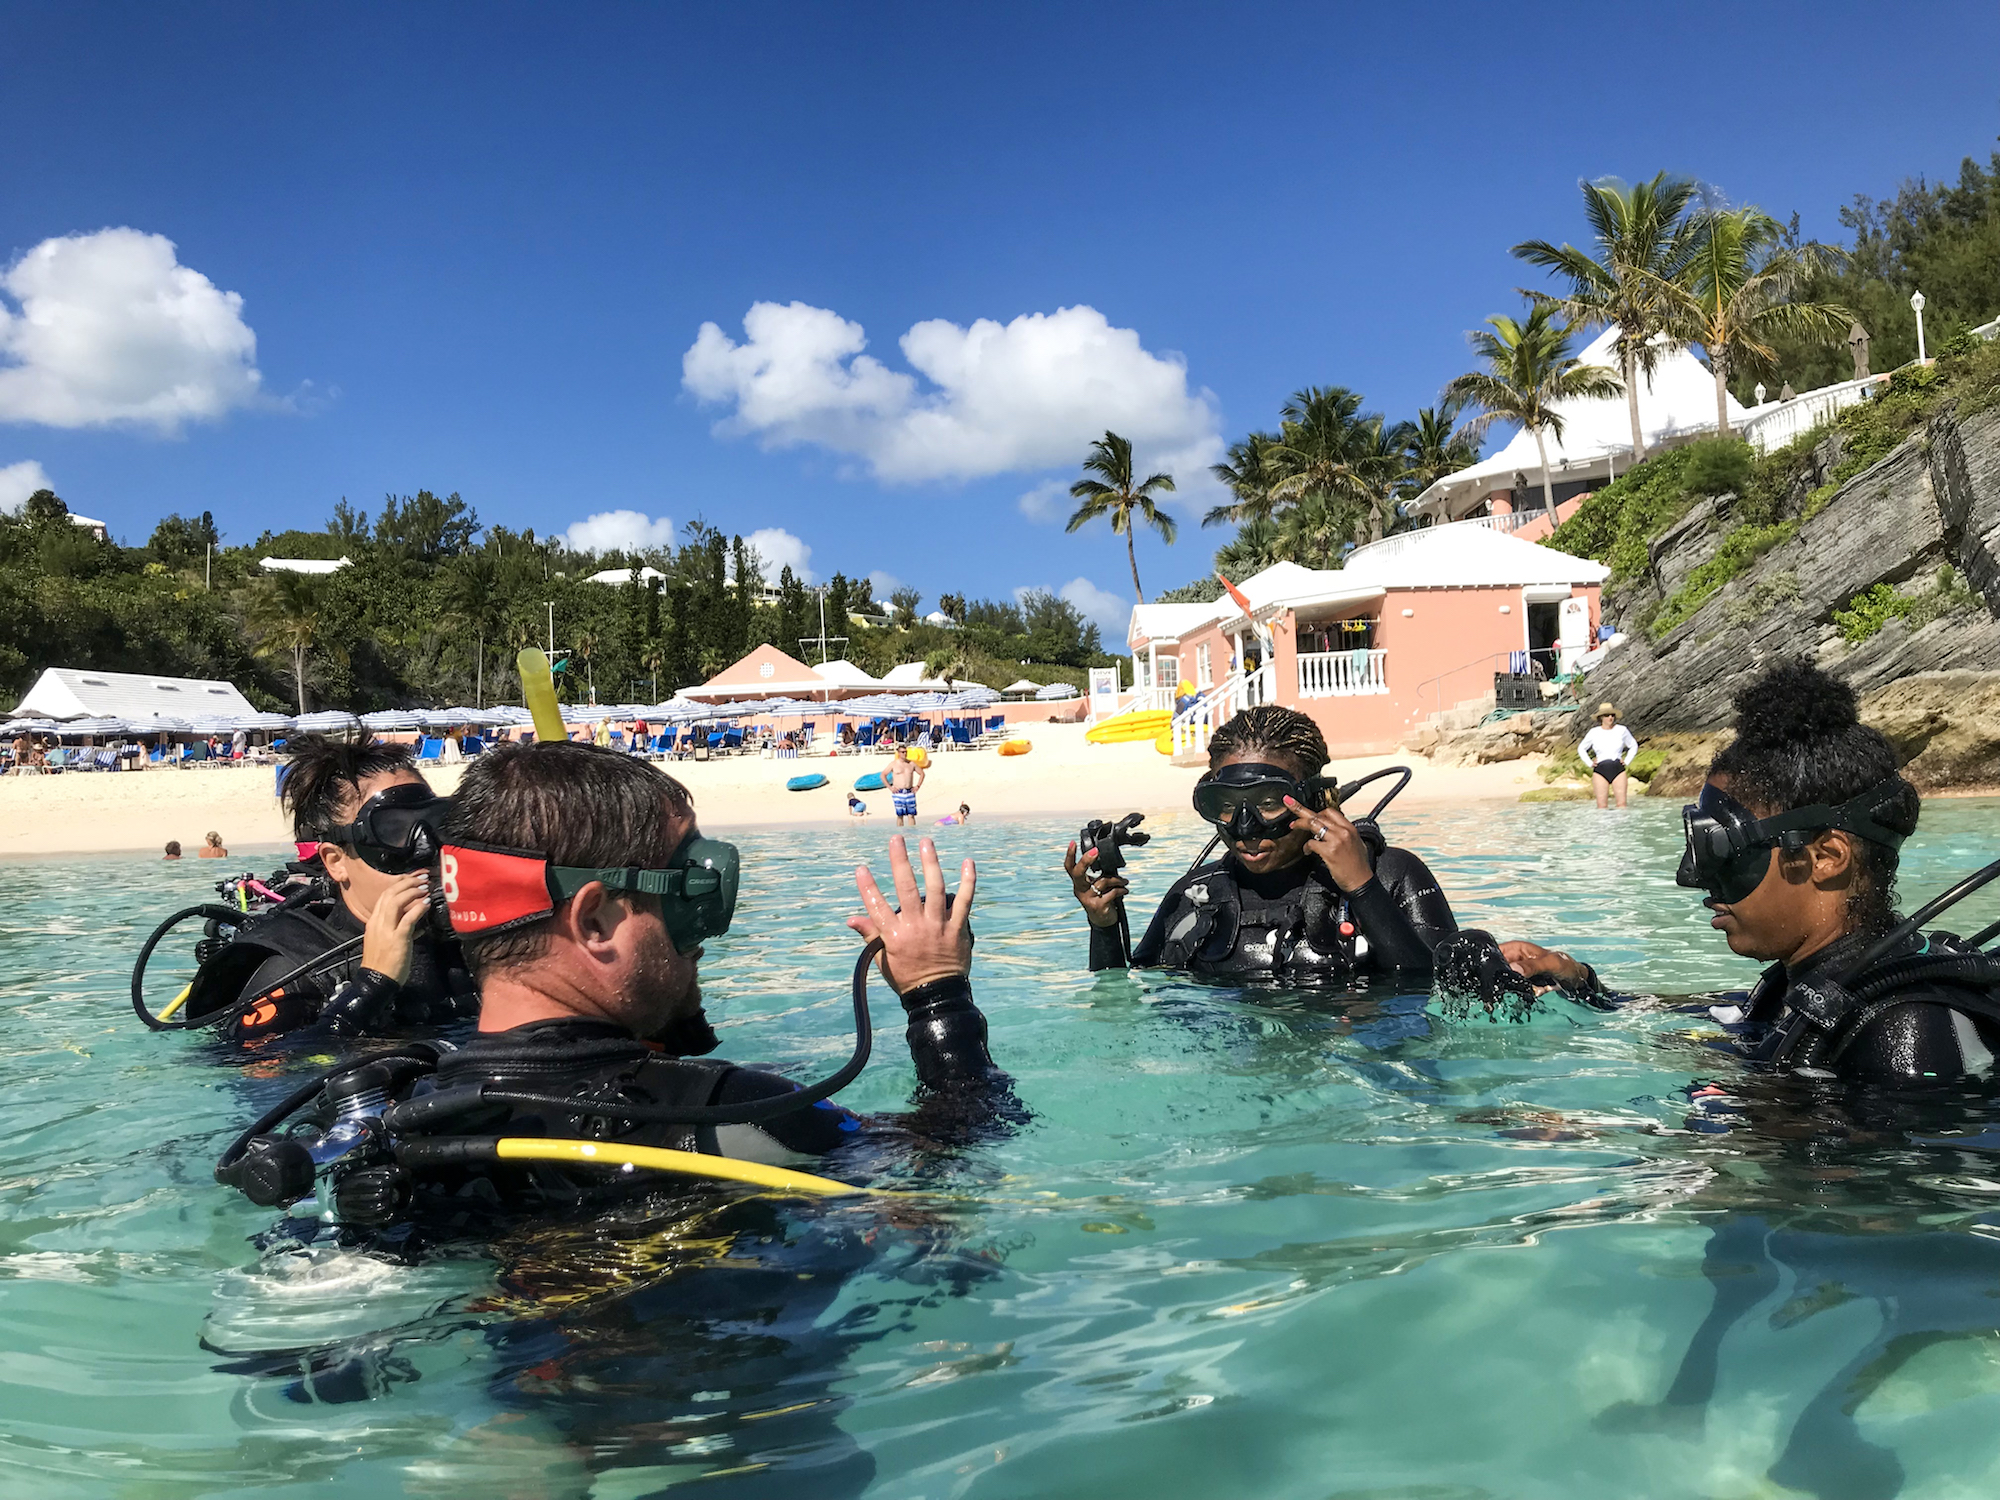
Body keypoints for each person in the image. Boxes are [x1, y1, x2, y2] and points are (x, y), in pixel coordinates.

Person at [1492, 662, 2000, 1083]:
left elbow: (1891, 1194)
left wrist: (1587, 1140)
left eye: (1722, 851)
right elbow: (1711, 1017)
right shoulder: (1812, 984)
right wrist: (1577, 979)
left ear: (1825, 857)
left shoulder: (1902, 1032)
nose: (1696, 879)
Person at [1066, 705, 1456, 980]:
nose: (1245, 827)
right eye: (1225, 806)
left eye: (1269, 803)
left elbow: (1436, 992)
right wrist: (1104, 926)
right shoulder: (1195, 893)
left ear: (1316, 798)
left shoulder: (1390, 875)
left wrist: (1362, 889)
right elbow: (1125, 997)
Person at [179, 734, 476, 1042]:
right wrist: (371, 986)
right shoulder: (296, 974)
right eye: (395, 832)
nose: (426, 849)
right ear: (336, 862)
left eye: (435, 823)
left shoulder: (472, 946)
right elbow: (258, 1082)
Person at [1576, 701, 1638, 810]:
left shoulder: (1622, 730)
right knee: (1601, 807)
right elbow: (1581, 748)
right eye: (1607, 715)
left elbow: (1633, 745)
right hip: (1600, 770)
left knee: (1622, 806)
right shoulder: (1593, 732)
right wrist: (1590, 763)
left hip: (1618, 769)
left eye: (1612, 715)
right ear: (1601, 718)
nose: (1610, 717)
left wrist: (1627, 761)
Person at [886, 742, 924, 826]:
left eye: (905, 752)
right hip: (898, 792)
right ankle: (900, 833)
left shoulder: (911, 764)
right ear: (898, 753)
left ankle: (912, 833)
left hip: (909, 791)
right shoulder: (894, 764)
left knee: (911, 815)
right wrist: (890, 787)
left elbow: (922, 773)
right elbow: (883, 775)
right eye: (902, 752)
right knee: (900, 815)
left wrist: (917, 786)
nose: (905, 754)